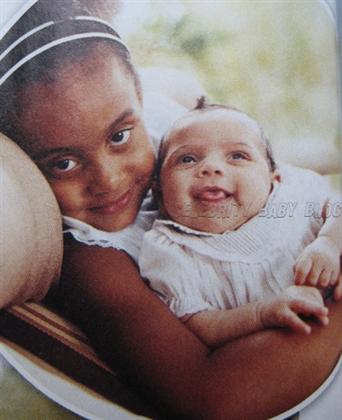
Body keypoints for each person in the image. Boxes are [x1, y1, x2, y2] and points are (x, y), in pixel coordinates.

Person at [0, 1, 342, 418]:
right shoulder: (93, 259)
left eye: (121, 135)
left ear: (140, 103)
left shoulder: (174, 140)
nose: (109, 180)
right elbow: (213, 399)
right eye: (63, 163)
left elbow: (280, 183)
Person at [139, 100, 342, 347]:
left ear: (272, 177)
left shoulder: (291, 196)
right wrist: (262, 314)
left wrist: (330, 242)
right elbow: (200, 324)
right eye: (188, 159)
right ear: (158, 190)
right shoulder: (169, 250)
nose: (211, 167)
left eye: (237, 156)